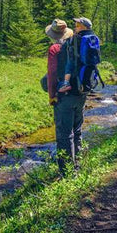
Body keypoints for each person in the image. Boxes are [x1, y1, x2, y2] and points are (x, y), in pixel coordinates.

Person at [45, 18, 84, 176]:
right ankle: (78, 164)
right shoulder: (77, 44)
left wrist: (52, 96)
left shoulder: (55, 48)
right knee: (77, 130)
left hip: (64, 96)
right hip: (81, 93)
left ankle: (67, 173)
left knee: (64, 135)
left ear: (53, 34)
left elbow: (52, 75)